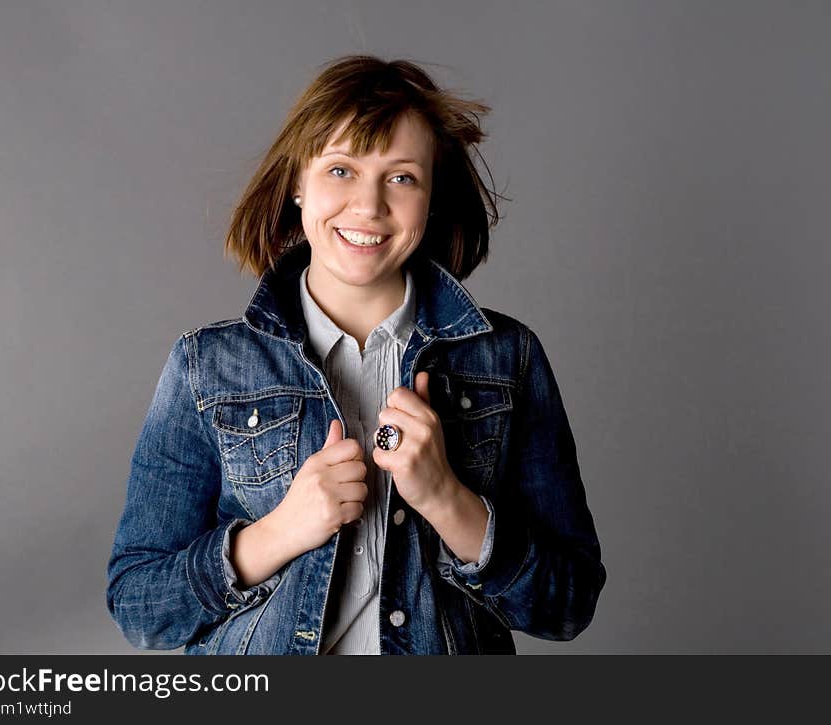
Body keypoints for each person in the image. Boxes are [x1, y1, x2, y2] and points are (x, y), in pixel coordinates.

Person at [106, 55, 606, 655]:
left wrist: (447, 499)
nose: (368, 206)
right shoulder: (207, 365)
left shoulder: (506, 358)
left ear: (431, 196)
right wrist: (278, 533)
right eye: (341, 170)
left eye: (401, 178)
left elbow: (568, 605)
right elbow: (139, 606)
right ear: (297, 183)